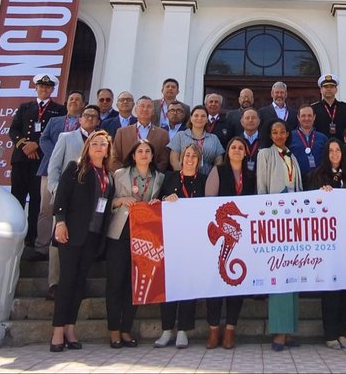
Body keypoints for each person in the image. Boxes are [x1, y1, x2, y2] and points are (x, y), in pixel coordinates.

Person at [49, 130, 114, 352]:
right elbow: (61, 198)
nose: (99, 147)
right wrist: (60, 221)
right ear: (88, 146)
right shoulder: (75, 168)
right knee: (66, 281)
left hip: (93, 237)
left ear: (108, 149)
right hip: (72, 233)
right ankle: (57, 330)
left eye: (103, 144)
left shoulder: (108, 176)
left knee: (79, 283)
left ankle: (70, 327)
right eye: (95, 143)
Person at [105, 140, 163, 348]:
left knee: (135, 284)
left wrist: (159, 204)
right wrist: (119, 201)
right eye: (140, 151)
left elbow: (164, 203)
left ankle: (126, 329)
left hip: (145, 236)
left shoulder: (159, 178)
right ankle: (113, 331)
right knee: (115, 282)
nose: (144, 154)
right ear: (133, 155)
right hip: (120, 232)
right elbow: (106, 202)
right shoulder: (119, 175)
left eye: (148, 151)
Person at [306, 137, 346, 349]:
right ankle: (330, 334)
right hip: (326, 242)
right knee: (330, 288)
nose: (335, 154)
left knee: (345, 288)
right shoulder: (317, 175)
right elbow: (310, 204)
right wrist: (320, 194)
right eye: (331, 151)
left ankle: (342, 332)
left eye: (338, 150)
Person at [203, 137, 258, 350]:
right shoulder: (219, 171)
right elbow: (209, 200)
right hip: (220, 237)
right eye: (233, 147)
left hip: (242, 238)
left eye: (240, 148)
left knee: (238, 285)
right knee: (215, 283)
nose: (236, 150)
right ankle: (214, 329)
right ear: (228, 151)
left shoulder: (252, 175)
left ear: (246, 152)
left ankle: (230, 330)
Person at [44, 104, 101, 299]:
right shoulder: (66, 138)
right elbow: (54, 168)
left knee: (82, 243)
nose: (90, 119)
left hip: (89, 202)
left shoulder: (101, 142)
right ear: (80, 119)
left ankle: (77, 283)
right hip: (66, 199)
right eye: (87, 115)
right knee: (59, 241)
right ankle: (55, 283)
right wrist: (56, 190)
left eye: (94, 116)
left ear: (99, 120)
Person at [255, 120, 303, 350]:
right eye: (274, 132)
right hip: (274, 218)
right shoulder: (264, 154)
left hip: (293, 218)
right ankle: (278, 331)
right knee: (279, 273)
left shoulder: (292, 156)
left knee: (293, 273)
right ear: (270, 134)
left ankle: (290, 330)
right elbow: (261, 186)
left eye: (283, 131)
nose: (279, 135)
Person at [154, 145, 207, 349]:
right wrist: (166, 200)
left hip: (194, 240)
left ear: (199, 160)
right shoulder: (169, 178)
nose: (190, 159)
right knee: (169, 284)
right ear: (181, 158)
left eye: (194, 156)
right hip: (171, 238)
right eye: (187, 155)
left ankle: (183, 330)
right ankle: (167, 329)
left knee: (188, 285)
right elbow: (155, 202)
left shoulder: (204, 180)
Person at [8, 74, 66, 250]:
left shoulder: (58, 109)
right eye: (41, 87)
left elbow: (56, 134)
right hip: (21, 158)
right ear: (36, 88)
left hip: (42, 161)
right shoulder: (25, 107)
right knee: (17, 197)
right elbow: (14, 129)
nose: (44, 89)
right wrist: (24, 145)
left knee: (37, 201)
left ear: (52, 89)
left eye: (47, 87)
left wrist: (37, 146)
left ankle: (32, 237)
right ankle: (15, 233)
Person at [32, 91, 85, 263]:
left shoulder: (86, 124)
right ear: (66, 102)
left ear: (83, 104)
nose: (74, 102)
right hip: (51, 170)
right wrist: (57, 154)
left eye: (78, 100)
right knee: (46, 209)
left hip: (75, 173)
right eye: (71, 99)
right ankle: (41, 247)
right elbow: (44, 139)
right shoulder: (55, 121)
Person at [109, 96, 170, 172]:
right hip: (125, 179)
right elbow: (114, 158)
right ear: (135, 110)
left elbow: (163, 161)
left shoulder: (163, 134)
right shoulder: (122, 132)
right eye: (142, 106)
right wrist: (126, 174)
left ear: (153, 111)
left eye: (149, 107)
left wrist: (150, 175)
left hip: (152, 179)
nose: (145, 109)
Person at [168, 104, 224, 174]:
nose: (199, 118)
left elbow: (219, 160)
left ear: (207, 119)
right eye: (196, 115)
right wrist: (182, 175)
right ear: (191, 118)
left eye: (203, 116)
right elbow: (174, 159)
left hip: (207, 178)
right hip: (184, 177)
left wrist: (213, 175)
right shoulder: (180, 135)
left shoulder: (214, 138)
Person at [311, 74, 346, 142]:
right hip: (321, 147)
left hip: (342, 147)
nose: (328, 89)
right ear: (321, 90)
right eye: (325, 86)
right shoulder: (314, 109)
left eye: (331, 86)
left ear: (336, 89)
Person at [289, 105, 327, 178]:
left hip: (320, 180)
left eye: (309, 115)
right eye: (303, 116)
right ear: (298, 117)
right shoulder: (290, 137)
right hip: (297, 179)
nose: (306, 118)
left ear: (314, 117)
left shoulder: (323, 138)